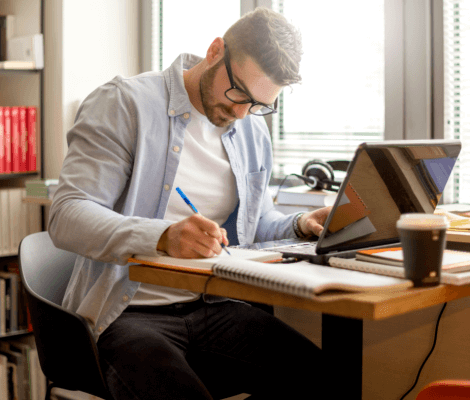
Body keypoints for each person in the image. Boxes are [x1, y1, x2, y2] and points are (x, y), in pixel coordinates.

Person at [49, 7, 330, 400]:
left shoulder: (251, 132)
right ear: (215, 51)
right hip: (128, 312)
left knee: (325, 379)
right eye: (238, 93)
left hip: (213, 307)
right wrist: (162, 236)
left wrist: (300, 224)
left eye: (260, 104)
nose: (242, 113)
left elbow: (255, 224)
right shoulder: (124, 104)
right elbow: (68, 215)